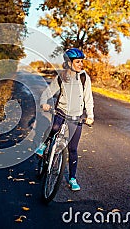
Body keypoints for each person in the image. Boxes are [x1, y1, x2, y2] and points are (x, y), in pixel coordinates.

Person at [35, 48, 94, 191]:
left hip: (76, 117)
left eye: (82, 61)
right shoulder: (62, 77)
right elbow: (48, 92)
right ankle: (44, 146)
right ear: (69, 62)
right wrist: (44, 102)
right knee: (54, 128)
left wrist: (90, 116)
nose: (81, 64)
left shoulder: (84, 77)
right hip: (61, 112)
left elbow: (88, 98)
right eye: (78, 62)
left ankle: (72, 179)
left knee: (73, 149)